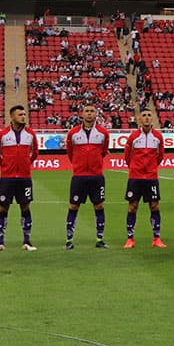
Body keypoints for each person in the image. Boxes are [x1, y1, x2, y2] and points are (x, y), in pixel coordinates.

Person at [0, 105, 39, 252]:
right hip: (7, 178)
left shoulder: (30, 134)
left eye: (24, 114)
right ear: (12, 117)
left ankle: (27, 241)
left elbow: (35, 153)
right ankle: (0, 242)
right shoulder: (2, 134)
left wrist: (25, 165)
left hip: (24, 177)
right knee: (3, 207)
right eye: (20, 114)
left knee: (25, 206)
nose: (23, 116)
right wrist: (6, 166)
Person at [65, 104, 110, 249]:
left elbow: (103, 152)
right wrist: (80, 165)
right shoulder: (73, 133)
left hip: (97, 176)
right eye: (87, 111)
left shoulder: (103, 133)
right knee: (73, 205)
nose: (89, 114)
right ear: (82, 114)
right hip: (79, 176)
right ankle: (69, 240)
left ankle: (99, 238)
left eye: (92, 111)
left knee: (99, 205)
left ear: (95, 114)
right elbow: (70, 153)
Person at [123, 107, 166, 249]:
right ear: (139, 119)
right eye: (144, 116)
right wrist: (136, 168)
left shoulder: (158, 137)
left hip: (151, 177)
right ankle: (130, 239)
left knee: (154, 206)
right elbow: (127, 156)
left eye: (149, 115)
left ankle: (156, 238)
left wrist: (151, 168)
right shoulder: (133, 136)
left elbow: (160, 156)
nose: (147, 117)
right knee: (132, 206)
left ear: (152, 118)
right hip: (135, 177)